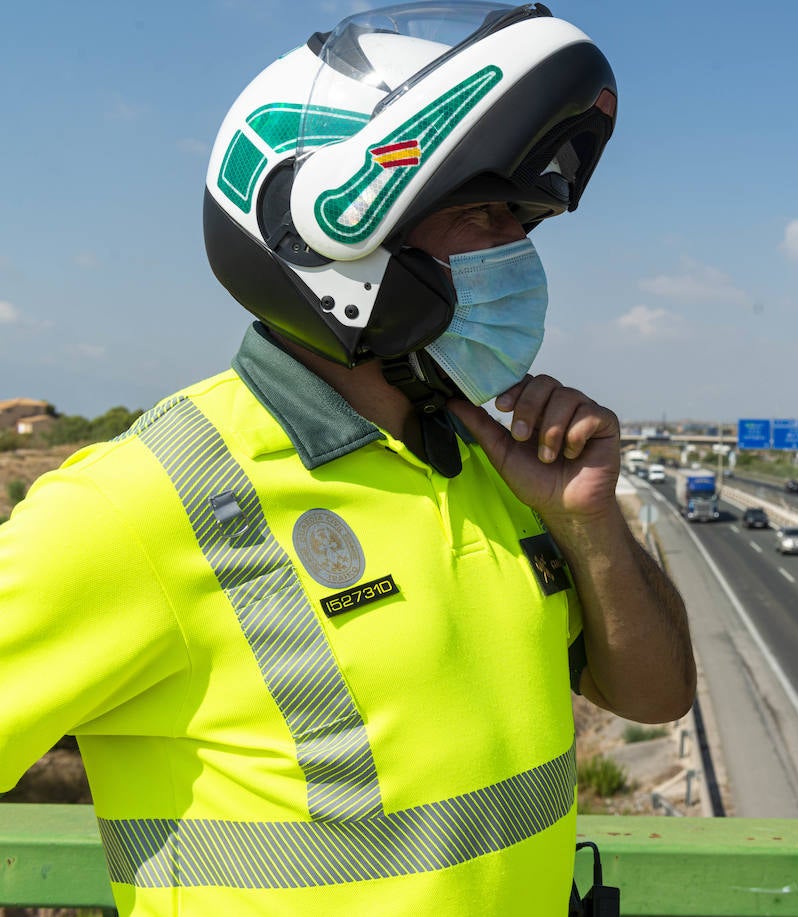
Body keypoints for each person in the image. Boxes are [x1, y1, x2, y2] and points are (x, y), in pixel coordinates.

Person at [0, 3, 695, 914]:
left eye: (521, 219)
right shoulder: (136, 506)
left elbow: (655, 696)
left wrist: (588, 520)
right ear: (332, 233)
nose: (516, 250)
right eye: (479, 214)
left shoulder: (498, 466)